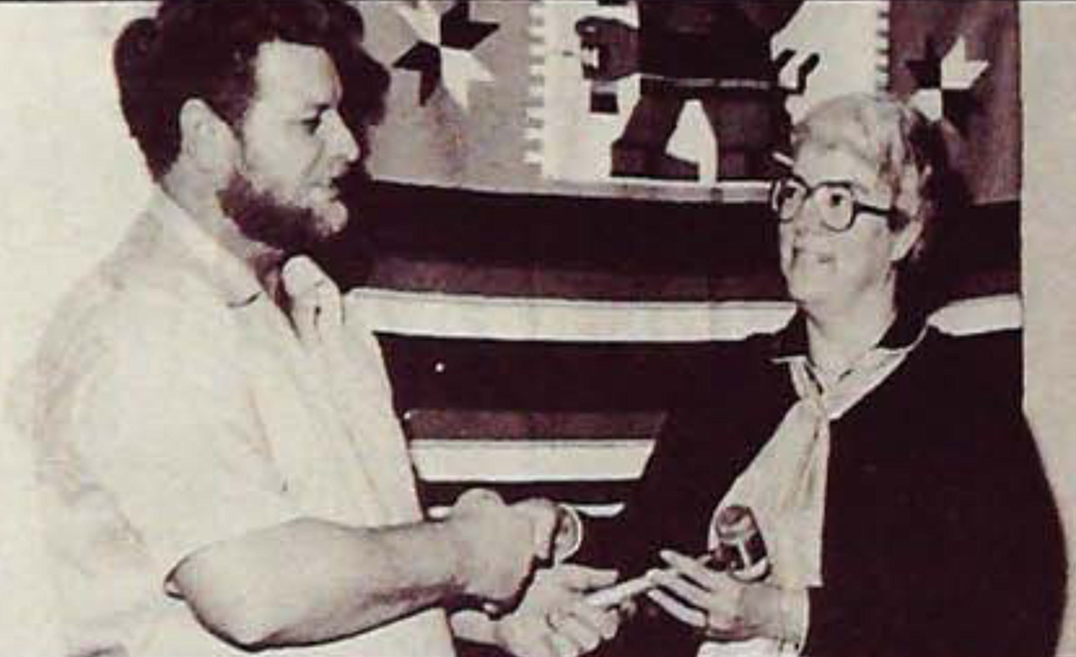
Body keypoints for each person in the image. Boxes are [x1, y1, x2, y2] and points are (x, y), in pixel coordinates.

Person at [17, 2, 620, 656]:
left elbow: (341, 574)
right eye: (311, 123)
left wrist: (475, 616)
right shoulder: (141, 325)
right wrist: (467, 550)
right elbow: (254, 592)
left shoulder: (317, 305)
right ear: (205, 136)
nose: (349, 146)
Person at [577, 93, 1066, 657]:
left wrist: (785, 615)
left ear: (905, 234)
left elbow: (1011, 618)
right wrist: (566, 537)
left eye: (839, 199)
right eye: (796, 192)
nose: (804, 221)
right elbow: (646, 554)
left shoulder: (968, 405)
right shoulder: (725, 383)